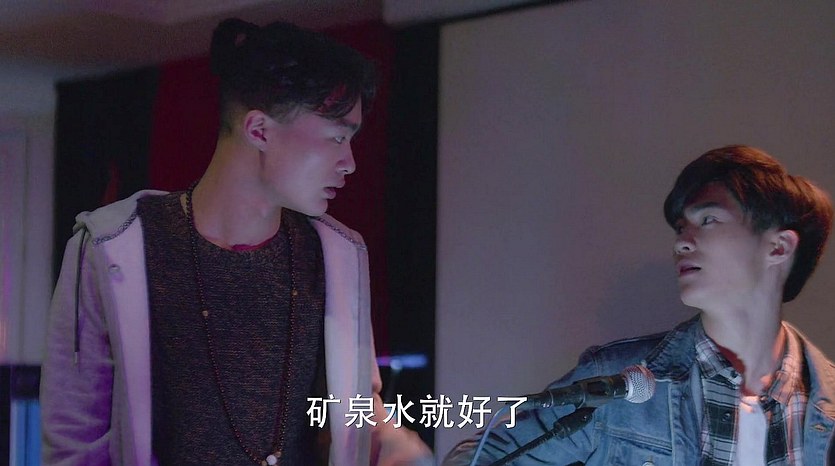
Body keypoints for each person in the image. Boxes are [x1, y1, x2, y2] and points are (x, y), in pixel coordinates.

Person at [40, 18, 432, 466]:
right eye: (338, 137)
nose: (349, 162)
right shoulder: (116, 244)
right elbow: (75, 437)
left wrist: (399, 448)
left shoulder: (337, 254)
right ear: (259, 130)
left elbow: (354, 410)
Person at [444, 145, 835, 465]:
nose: (682, 241)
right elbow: (479, 457)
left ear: (778, 247)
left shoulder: (824, 401)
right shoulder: (617, 381)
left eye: (708, 220)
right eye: (681, 227)